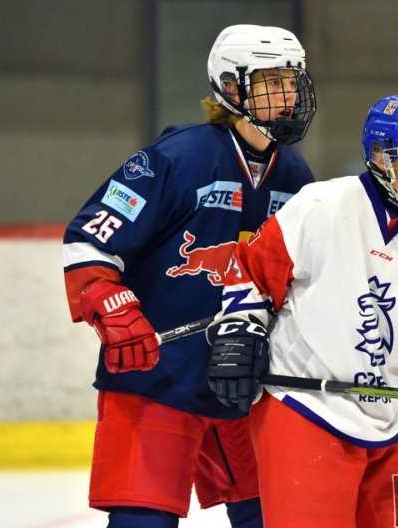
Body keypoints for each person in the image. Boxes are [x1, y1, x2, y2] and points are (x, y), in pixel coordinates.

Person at [206, 93, 398, 527]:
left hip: (384, 420)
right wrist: (239, 331)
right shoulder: (321, 207)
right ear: (379, 157)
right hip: (303, 407)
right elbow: (251, 273)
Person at [62, 24, 316, 528]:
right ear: (231, 86)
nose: (287, 95)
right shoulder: (176, 157)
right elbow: (90, 240)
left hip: (245, 380)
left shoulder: (296, 177)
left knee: (272, 516)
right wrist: (113, 309)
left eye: (292, 81)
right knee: (144, 521)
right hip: (157, 378)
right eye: (270, 82)